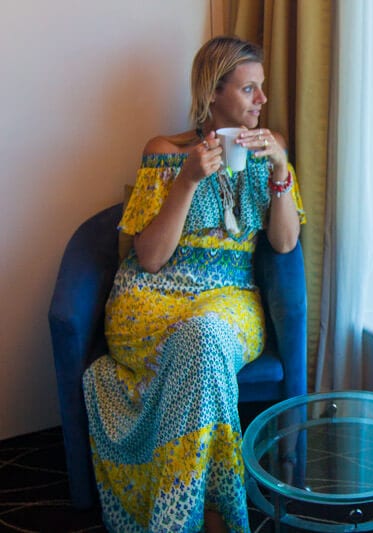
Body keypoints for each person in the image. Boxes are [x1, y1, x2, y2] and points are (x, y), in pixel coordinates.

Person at [82, 36, 304, 532]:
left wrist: (280, 170)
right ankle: (213, 514)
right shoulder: (165, 151)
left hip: (229, 298)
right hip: (151, 300)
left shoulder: (271, 149)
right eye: (250, 90)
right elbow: (151, 258)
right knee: (197, 349)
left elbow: (285, 244)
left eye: (261, 89)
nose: (262, 101)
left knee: (203, 340)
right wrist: (186, 182)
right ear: (213, 92)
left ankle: (181, 517)